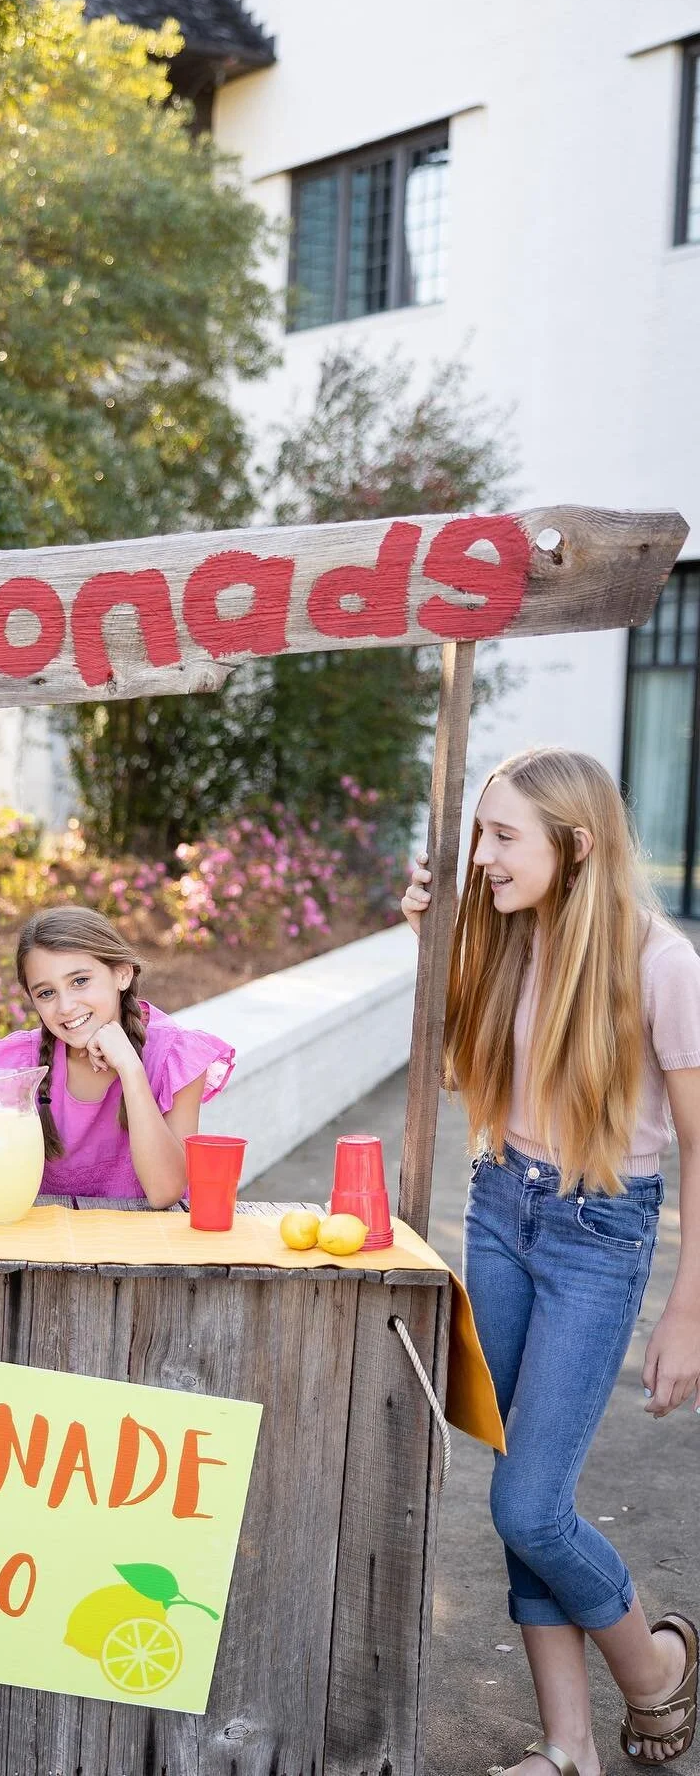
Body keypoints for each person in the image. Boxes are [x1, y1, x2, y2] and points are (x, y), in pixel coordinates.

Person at [403, 747, 700, 1775]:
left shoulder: (664, 965)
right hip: (499, 1209)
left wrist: (687, 1312)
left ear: (575, 845)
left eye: (501, 835)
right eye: (482, 834)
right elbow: (459, 1069)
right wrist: (428, 940)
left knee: (531, 1502)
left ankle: (656, 1665)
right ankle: (569, 1745)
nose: (482, 856)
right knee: (517, 1482)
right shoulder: (517, 938)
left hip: (598, 1233)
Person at [0, 905, 233, 1205]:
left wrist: (131, 1069)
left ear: (122, 973)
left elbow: (165, 1191)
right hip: (44, 1258)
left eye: (80, 981)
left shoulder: (174, 1055)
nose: (65, 1006)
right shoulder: (25, 1062)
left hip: (144, 1258)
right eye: (46, 993)